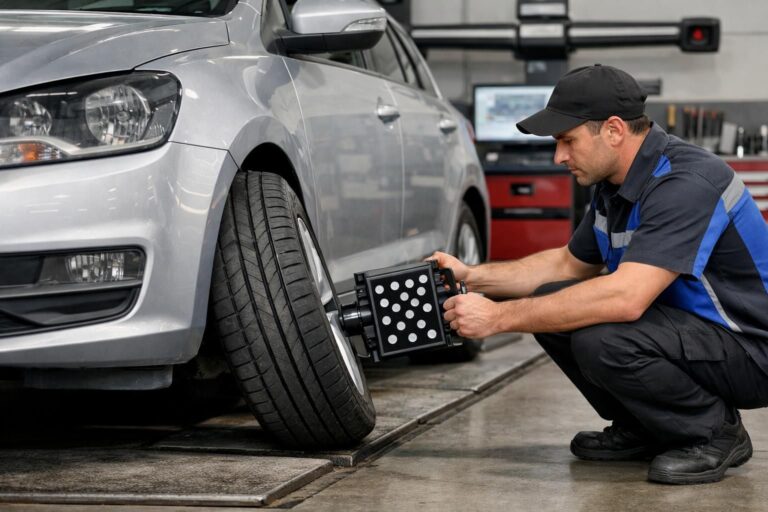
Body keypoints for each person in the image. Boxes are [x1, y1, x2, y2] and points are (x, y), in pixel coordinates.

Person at [430, 64, 768, 485]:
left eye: (567, 141)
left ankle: (714, 432)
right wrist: (471, 276)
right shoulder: (615, 187)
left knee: (602, 336)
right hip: (692, 335)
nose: (559, 156)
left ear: (613, 131)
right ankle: (647, 426)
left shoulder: (685, 182)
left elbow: (626, 298)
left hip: (751, 349)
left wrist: (498, 318)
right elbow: (565, 265)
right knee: (556, 302)